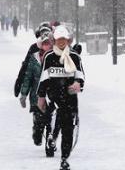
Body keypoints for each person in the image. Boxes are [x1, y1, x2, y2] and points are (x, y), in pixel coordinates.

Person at [37, 25, 85, 170]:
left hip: (70, 98)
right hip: (54, 96)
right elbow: (44, 78)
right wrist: (41, 97)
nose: (62, 42)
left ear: (68, 40)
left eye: (64, 39)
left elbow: (80, 75)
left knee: (68, 130)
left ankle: (64, 158)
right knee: (52, 121)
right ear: (55, 40)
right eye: (59, 39)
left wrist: (78, 83)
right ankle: (51, 137)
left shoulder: (75, 57)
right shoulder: (49, 57)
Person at [19, 32, 54, 149]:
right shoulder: (34, 58)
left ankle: (50, 140)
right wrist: (23, 94)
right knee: (39, 120)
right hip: (36, 94)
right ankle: (37, 134)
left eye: (49, 43)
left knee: (50, 118)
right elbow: (28, 77)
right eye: (44, 44)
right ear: (40, 45)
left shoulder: (55, 57)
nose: (47, 46)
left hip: (51, 94)